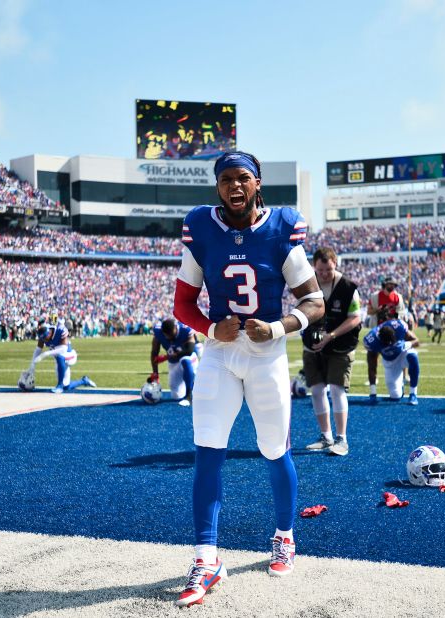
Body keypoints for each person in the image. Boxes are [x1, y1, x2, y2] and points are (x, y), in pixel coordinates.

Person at [171, 151, 324, 606]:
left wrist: (277, 327)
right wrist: (208, 328)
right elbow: (183, 304)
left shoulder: (281, 229)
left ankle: (284, 535)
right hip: (219, 353)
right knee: (207, 450)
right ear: (216, 186)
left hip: (266, 355)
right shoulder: (201, 228)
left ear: (257, 183)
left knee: (274, 448)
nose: (233, 187)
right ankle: (206, 557)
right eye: (225, 180)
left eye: (242, 179)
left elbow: (313, 302)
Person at [301, 247, 361, 456]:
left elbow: (355, 317)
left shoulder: (348, 287)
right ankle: (325, 436)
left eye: (328, 269)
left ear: (335, 264)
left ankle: (341, 439)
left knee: (336, 390)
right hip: (312, 346)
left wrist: (331, 335)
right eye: (320, 270)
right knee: (317, 390)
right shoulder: (307, 284)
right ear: (313, 267)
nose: (324, 274)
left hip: (340, 345)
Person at [363, 319, 421, 404]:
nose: (390, 345)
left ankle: (413, 394)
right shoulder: (372, 340)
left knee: (413, 356)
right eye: (387, 344)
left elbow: (417, 341)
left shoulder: (398, 326)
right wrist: (373, 393)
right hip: (390, 362)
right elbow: (372, 366)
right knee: (395, 396)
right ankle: (400, 385)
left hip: (403, 354)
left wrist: (406, 344)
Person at [31, 319, 96, 393]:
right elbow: (38, 350)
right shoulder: (43, 334)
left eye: (45, 338)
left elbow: (63, 349)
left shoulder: (60, 330)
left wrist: (46, 353)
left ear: (49, 333)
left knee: (59, 356)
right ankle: (84, 381)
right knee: (66, 386)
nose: (44, 341)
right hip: (60, 360)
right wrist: (32, 365)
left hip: (70, 356)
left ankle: (59, 386)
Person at [364, 277, 400, 404]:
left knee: (399, 355)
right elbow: (369, 311)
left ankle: (403, 378)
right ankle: (373, 389)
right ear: (385, 284)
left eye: (394, 285)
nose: (392, 287)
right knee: (372, 358)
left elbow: (401, 313)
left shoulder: (397, 297)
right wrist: (378, 310)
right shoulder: (375, 296)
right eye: (390, 284)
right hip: (377, 331)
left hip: (392, 333)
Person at [148, 318, 198, 406]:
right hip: (173, 363)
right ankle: (190, 385)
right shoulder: (158, 332)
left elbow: (189, 350)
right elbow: (154, 353)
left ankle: (189, 395)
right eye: (167, 336)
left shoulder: (185, 329)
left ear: (175, 328)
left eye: (171, 334)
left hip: (190, 360)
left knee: (185, 360)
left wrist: (166, 357)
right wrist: (155, 374)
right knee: (176, 396)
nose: (169, 338)